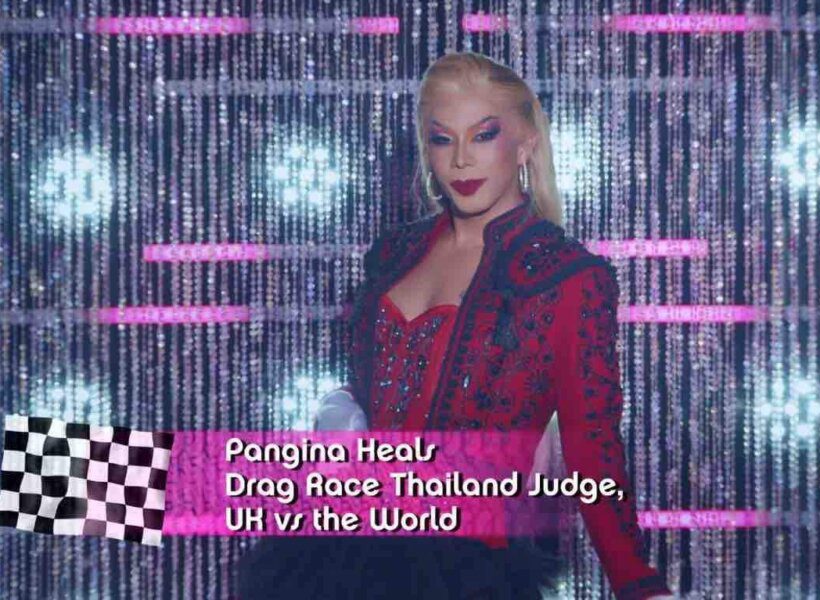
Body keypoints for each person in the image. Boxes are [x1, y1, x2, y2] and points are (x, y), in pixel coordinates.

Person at [237, 51, 674, 600]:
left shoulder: (568, 277)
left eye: (484, 135)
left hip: (468, 566)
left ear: (526, 143)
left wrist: (638, 583)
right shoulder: (394, 253)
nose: (462, 160)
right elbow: (370, 397)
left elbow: (593, 447)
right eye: (443, 140)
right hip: (340, 550)